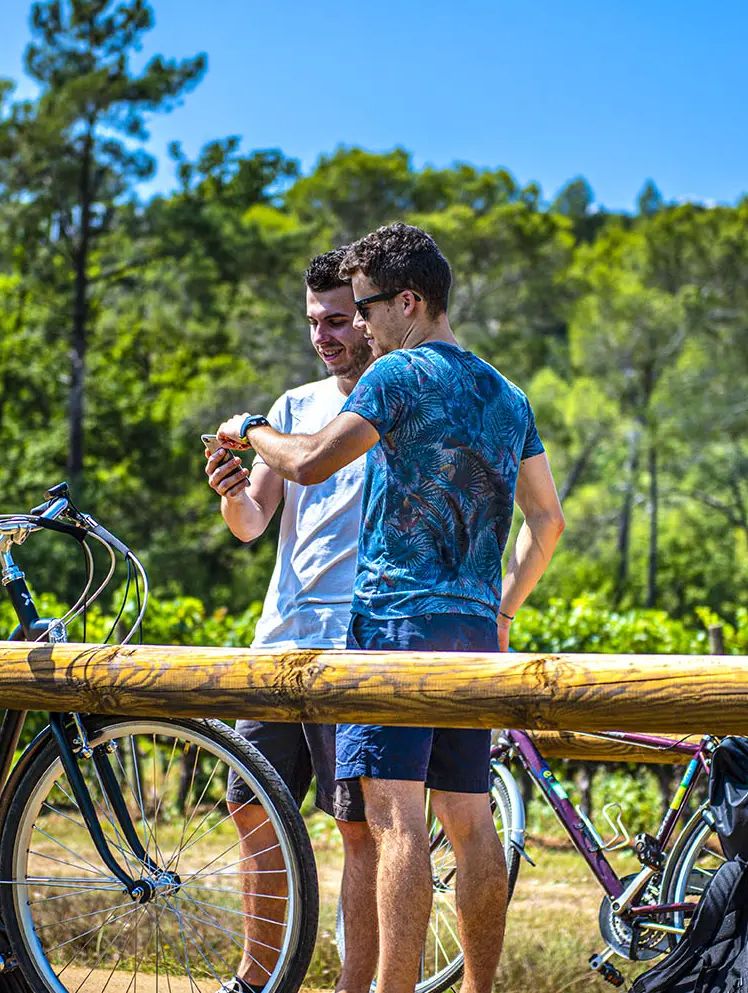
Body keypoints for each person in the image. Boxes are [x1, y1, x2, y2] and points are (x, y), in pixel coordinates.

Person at [215, 222, 565, 993]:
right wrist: (503, 609)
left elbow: (306, 461)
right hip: (472, 630)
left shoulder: (397, 374)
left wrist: (249, 430)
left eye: (366, 308)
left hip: (392, 628)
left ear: (409, 301)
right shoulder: (506, 394)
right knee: (471, 823)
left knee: (397, 824)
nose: (361, 326)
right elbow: (549, 521)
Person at [205, 248, 380, 993]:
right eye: (313, 321)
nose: (324, 335)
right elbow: (252, 523)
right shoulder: (291, 404)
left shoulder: (391, 397)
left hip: (355, 643)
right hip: (279, 637)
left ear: (371, 316)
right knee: (250, 810)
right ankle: (258, 980)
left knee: (357, 828)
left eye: (338, 319)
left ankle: (354, 985)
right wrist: (229, 489)